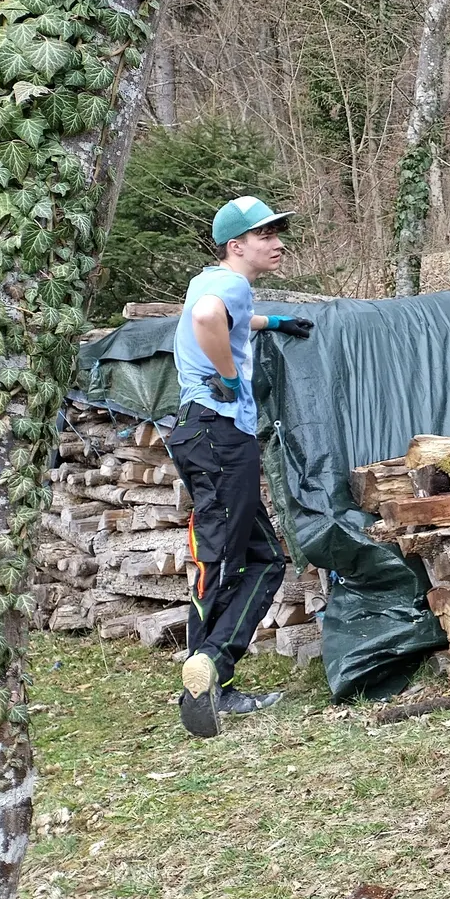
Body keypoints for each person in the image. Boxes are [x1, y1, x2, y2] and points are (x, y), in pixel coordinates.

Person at [168, 196, 314, 739]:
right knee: (222, 557)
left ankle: (210, 673)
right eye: (267, 235)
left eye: (278, 233)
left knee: (264, 558)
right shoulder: (227, 286)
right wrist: (230, 377)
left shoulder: (212, 279)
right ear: (238, 246)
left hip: (204, 433)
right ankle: (201, 682)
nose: (278, 243)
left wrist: (271, 322)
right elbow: (209, 317)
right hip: (218, 432)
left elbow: (217, 314)